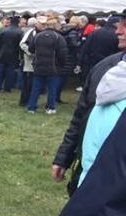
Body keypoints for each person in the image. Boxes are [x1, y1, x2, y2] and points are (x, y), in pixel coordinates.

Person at [52, 15, 126, 191]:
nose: (118, 31)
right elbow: (81, 115)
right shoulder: (105, 68)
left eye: (125, 26)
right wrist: (64, 157)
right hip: (89, 175)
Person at [27, 16, 67, 115]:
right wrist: (62, 64)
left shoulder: (38, 36)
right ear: (55, 25)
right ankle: (50, 107)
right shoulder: (58, 37)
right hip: (53, 67)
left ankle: (31, 107)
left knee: (35, 88)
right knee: (52, 89)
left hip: (39, 65)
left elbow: (31, 49)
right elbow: (63, 53)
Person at [0, 16, 23, 92]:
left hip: (2, 53)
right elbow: (21, 45)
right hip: (13, 54)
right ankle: (7, 88)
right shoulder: (20, 32)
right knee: (10, 72)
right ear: (18, 22)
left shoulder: (3, 30)